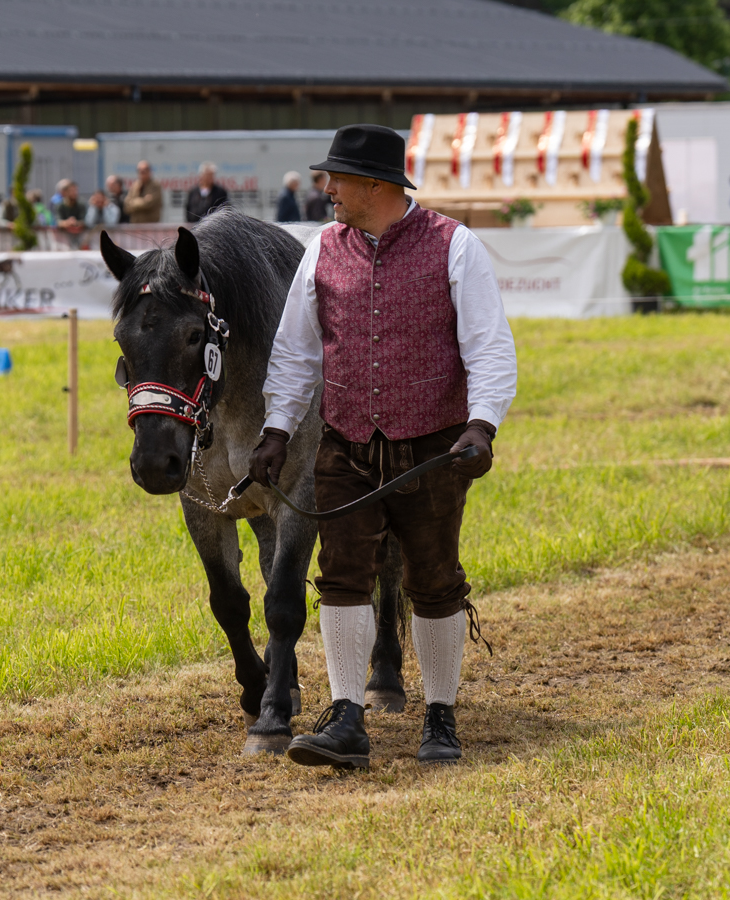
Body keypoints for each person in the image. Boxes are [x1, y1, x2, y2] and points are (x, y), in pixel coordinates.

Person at [250, 124, 517, 769]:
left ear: (375, 184)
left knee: (434, 580)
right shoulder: (321, 250)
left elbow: (489, 346)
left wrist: (482, 424)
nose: (327, 190)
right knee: (341, 577)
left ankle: (440, 716)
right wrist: (277, 430)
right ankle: (347, 716)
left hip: (433, 447)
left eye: (336, 179)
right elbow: (295, 352)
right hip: (345, 443)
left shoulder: (455, 245)